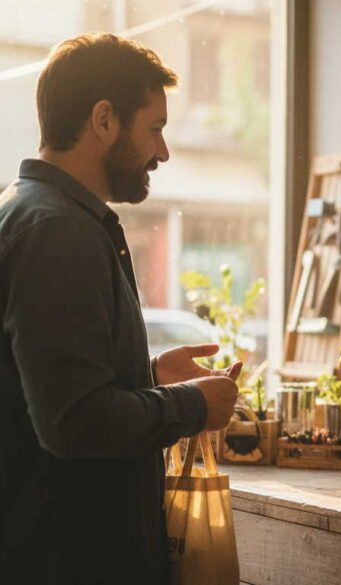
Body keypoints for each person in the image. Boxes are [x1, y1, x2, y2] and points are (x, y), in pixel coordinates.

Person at [0, 34, 241, 583]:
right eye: (154, 128)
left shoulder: (28, 211)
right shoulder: (57, 231)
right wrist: (190, 406)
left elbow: (37, 392)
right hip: (68, 558)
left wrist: (148, 377)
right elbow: (74, 424)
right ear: (104, 120)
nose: (163, 152)